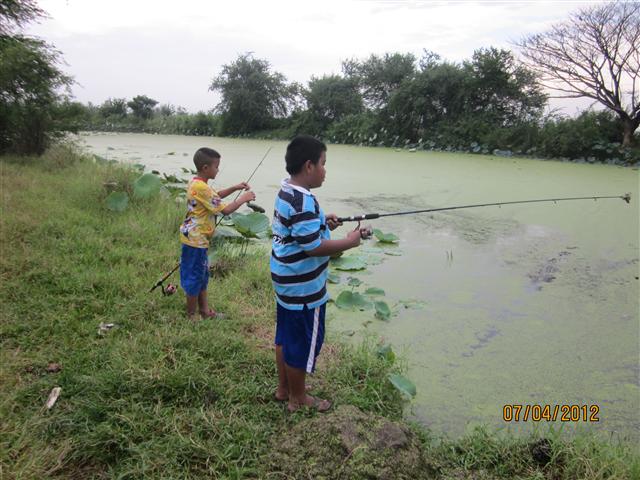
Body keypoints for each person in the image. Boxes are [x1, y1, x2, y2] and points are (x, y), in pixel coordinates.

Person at [271, 135, 370, 412]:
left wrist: (323, 223)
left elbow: (299, 232)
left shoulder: (287, 192)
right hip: (303, 288)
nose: (326, 170)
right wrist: (349, 243)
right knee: (301, 343)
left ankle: (284, 389)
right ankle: (298, 399)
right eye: (324, 163)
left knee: (285, 338)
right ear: (309, 166)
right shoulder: (305, 203)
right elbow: (313, 247)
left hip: (285, 281)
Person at [179, 147, 255, 320]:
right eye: (216, 167)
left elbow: (216, 196)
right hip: (195, 241)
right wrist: (243, 199)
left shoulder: (196, 183)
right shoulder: (201, 187)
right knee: (194, 277)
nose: (218, 170)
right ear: (206, 168)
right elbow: (226, 210)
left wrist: (235, 188)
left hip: (197, 239)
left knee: (202, 275)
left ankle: (205, 311)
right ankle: (191, 316)